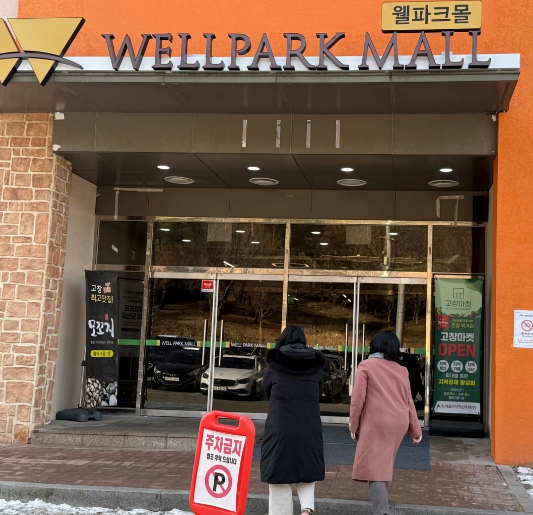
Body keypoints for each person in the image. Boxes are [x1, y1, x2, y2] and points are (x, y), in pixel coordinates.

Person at [349, 330, 422, 515]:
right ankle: (381, 510)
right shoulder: (402, 370)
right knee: (383, 465)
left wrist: (353, 424)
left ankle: (382, 512)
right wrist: (416, 429)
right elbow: (409, 401)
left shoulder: (366, 366)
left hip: (377, 422)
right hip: (398, 423)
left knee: (375, 469)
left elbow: (357, 399)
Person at [260, 325, 326, 515]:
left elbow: (266, 389)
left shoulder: (274, 365)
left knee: (279, 473)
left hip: (280, 428)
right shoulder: (316, 366)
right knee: (307, 469)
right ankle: (306, 508)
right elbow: (318, 393)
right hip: (309, 427)